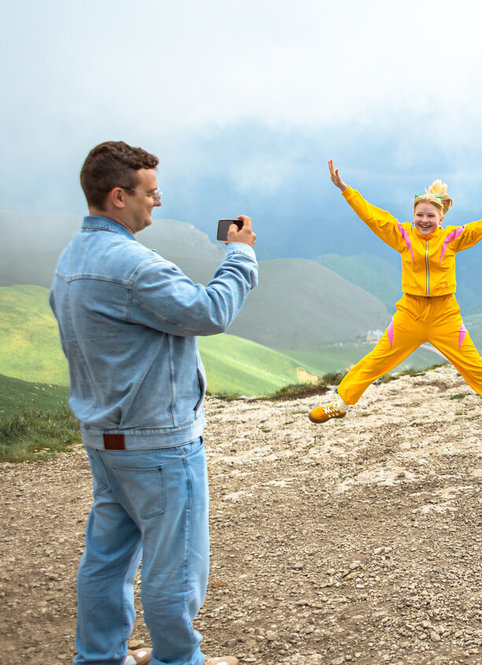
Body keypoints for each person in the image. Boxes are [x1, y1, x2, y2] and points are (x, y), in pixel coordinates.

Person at [51, 141, 255, 665]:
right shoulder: (132, 265)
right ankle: (177, 661)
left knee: (106, 560)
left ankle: (99, 658)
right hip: (158, 443)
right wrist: (241, 254)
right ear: (119, 196)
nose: (156, 203)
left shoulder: (72, 257)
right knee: (176, 568)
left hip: (104, 438)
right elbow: (209, 313)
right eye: (151, 193)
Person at [309, 161, 482, 438]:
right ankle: (340, 404)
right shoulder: (401, 234)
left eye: (430, 216)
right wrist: (345, 189)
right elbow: (372, 217)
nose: (424, 220)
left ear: (441, 217)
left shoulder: (453, 238)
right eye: (420, 215)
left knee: (472, 363)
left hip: (444, 313)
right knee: (377, 360)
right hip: (410, 313)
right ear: (413, 215)